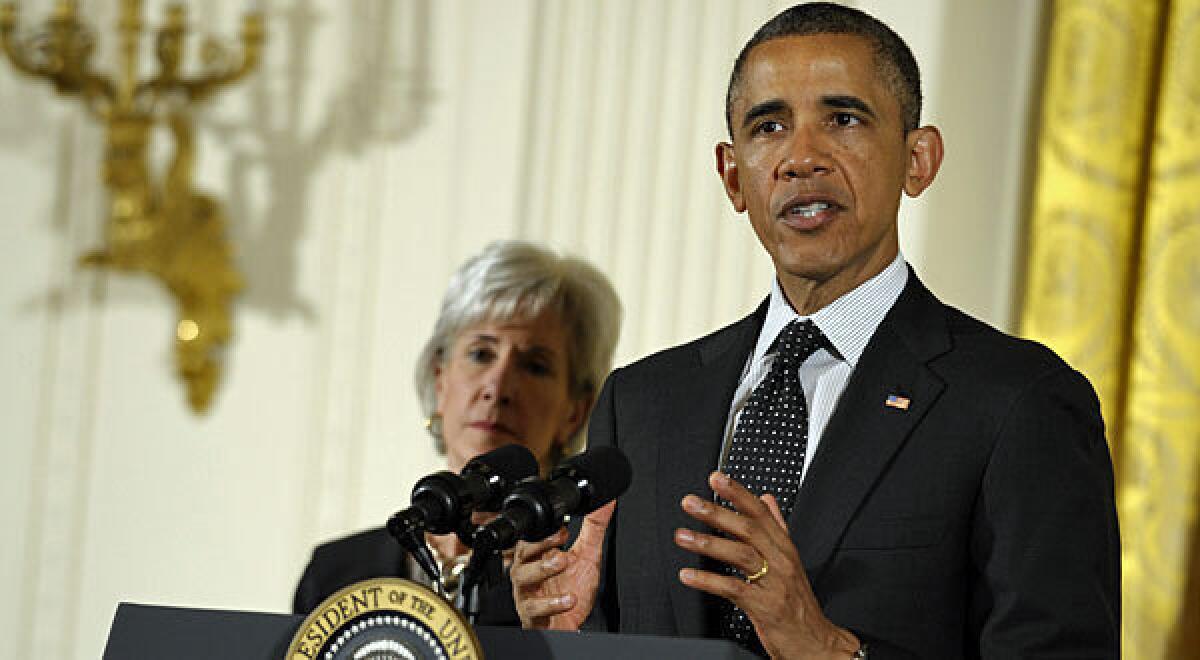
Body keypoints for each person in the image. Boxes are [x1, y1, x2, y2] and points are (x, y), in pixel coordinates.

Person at [509, 4, 1120, 658]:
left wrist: (827, 650)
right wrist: (562, 645)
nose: (802, 157)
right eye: (769, 125)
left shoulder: (1018, 404)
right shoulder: (642, 403)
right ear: (733, 174)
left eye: (843, 118)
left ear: (918, 160)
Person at [292, 240, 622, 624]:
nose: (497, 388)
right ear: (440, 381)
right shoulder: (336, 574)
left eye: (534, 366)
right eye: (481, 354)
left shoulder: (579, 583)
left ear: (574, 411)